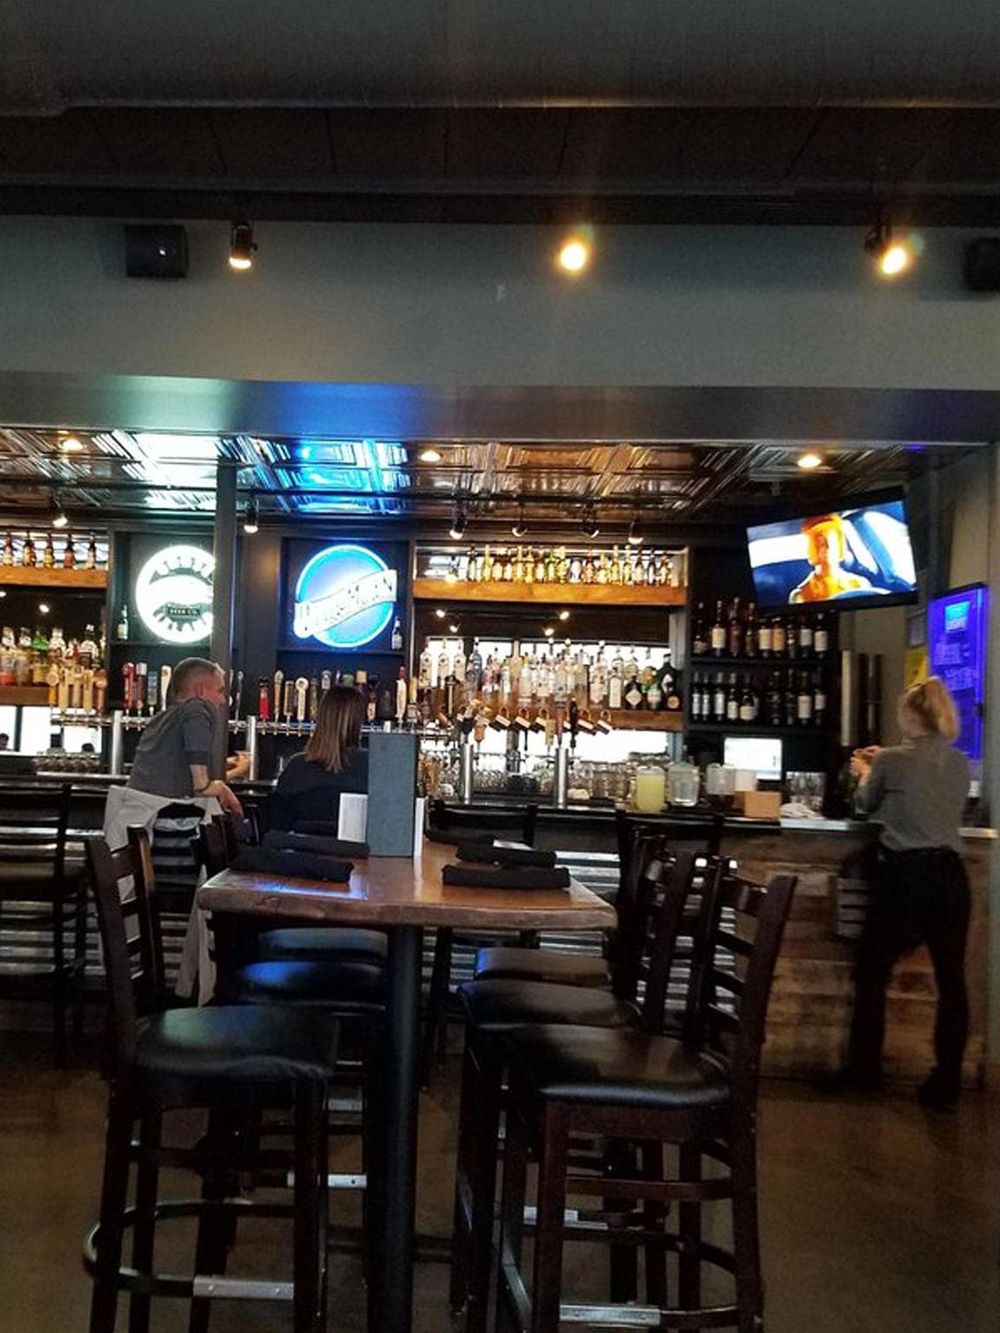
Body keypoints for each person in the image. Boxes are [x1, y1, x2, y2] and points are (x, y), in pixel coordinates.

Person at [841, 677, 971, 1110]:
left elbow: (864, 805)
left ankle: (864, 1072)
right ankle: (946, 1081)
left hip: (906, 875)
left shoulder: (891, 761)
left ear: (910, 714)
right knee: (952, 981)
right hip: (951, 877)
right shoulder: (957, 763)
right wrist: (885, 765)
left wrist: (865, 772)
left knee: (872, 970)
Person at [269, 685, 368, 831]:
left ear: (321, 718)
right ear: (358, 723)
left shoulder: (295, 768)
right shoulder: (372, 768)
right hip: (355, 853)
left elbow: (275, 830)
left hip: (302, 852)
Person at [789, 513, 875, 604]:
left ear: (840, 545)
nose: (827, 547)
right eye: (821, 542)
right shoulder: (801, 594)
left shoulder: (859, 584)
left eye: (831, 540)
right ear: (812, 548)